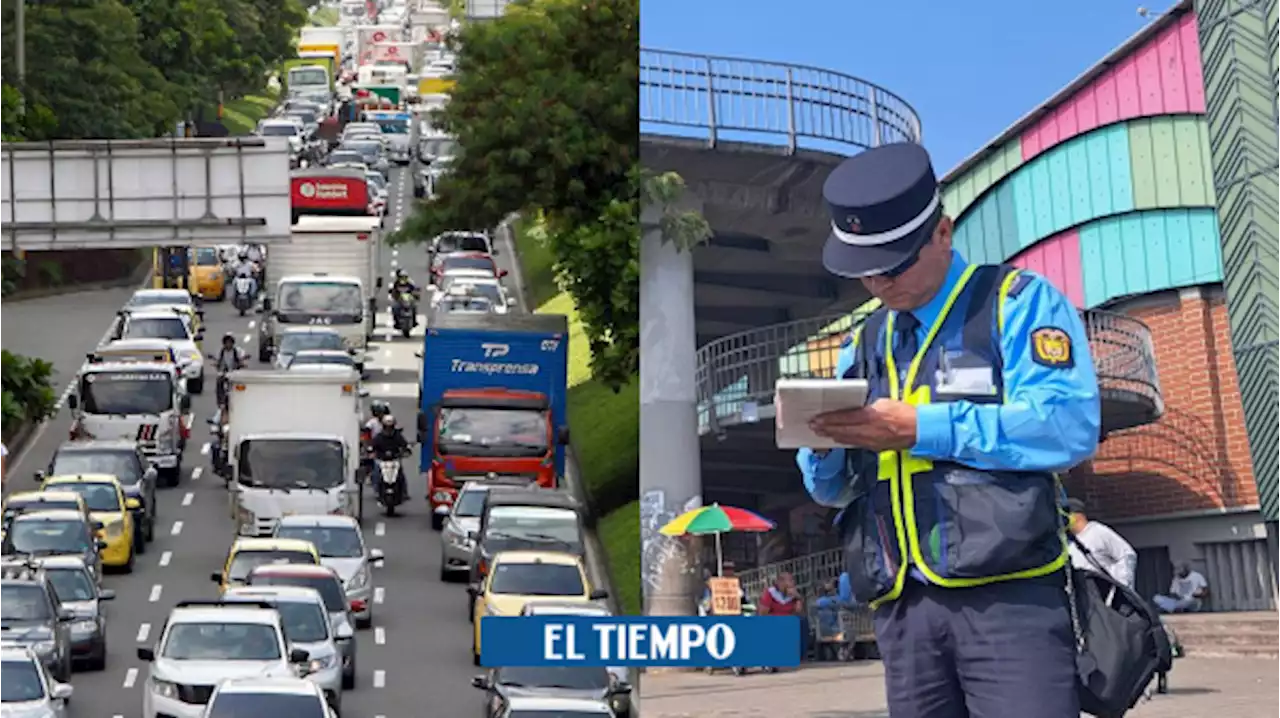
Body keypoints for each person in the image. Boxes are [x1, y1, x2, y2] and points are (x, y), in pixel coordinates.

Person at [791, 142, 1100, 717]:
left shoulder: (1016, 302)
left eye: (894, 264)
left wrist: (922, 429)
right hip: (903, 607)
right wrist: (821, 446)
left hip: (1008, 597)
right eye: (864, 272)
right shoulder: (863, 342)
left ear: (942, 233)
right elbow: (830, 492)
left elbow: (1066, 428)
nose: (879, 283)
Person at [1066, 497, 1137, 588]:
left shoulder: (1098, 531)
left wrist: (1121, 586)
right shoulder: (1068, 541)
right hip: (1085, 595)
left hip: (1105, 594)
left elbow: (1127, 554)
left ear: (1078, 515)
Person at [759, 572, 810, 661]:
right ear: (780, 582)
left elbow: (800, 612)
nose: (793, 583)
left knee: (802, 620)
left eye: (792, 580)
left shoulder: (793, 595)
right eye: (790, 580)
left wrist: (798, 597)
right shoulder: (770, 592)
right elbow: (763, 613)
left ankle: (801, 655)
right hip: (773, 620)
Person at [369, 414, 409, 495]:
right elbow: (372, 446)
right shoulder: (379, 437)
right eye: (387, 427)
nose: (388, 429)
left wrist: (406, 450)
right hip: (382, 460)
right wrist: (371, 452)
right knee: (376, 472)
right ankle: (377, 490)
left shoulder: (397, 436)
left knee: (400, 474)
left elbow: (404, 444)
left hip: (394, 459)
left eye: (390, 427)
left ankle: (404, 492)